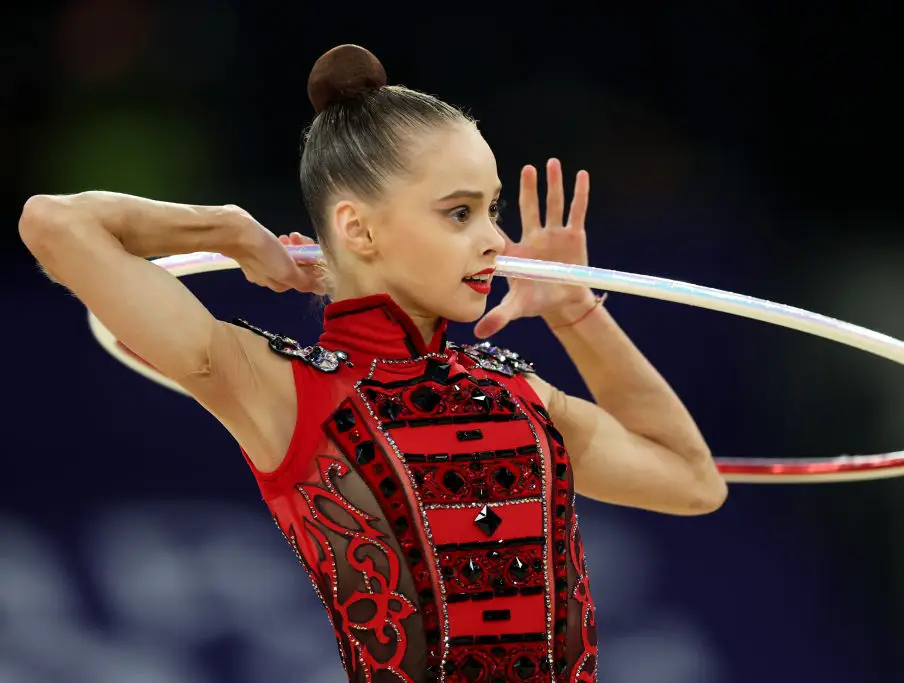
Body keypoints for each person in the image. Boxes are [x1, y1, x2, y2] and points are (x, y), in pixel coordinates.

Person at [19, 44, 725, 683]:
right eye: (459, 213)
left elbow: (693, 482)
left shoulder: (519, 394)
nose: (495, 240)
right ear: (357, 228)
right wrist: (223, 227)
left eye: (492, 210)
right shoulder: (282, 390)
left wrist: (576, 312)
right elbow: (55, 223)